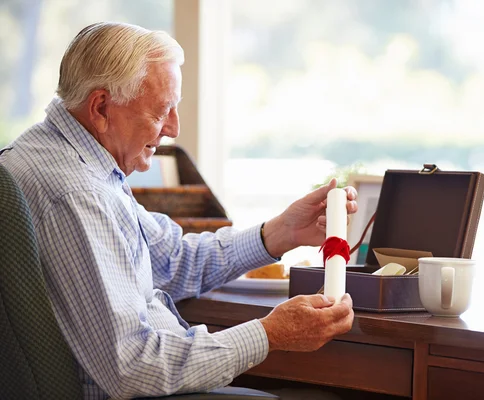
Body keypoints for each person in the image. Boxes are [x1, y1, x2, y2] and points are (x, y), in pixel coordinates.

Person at [0, 22, 357, 399]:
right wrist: (269, 334)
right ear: (101, 107)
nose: (173, 128)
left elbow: (170, 260)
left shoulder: (67, 157)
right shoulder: (77, 193)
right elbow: (132, 367)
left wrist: (282, 232)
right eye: (161, 111)